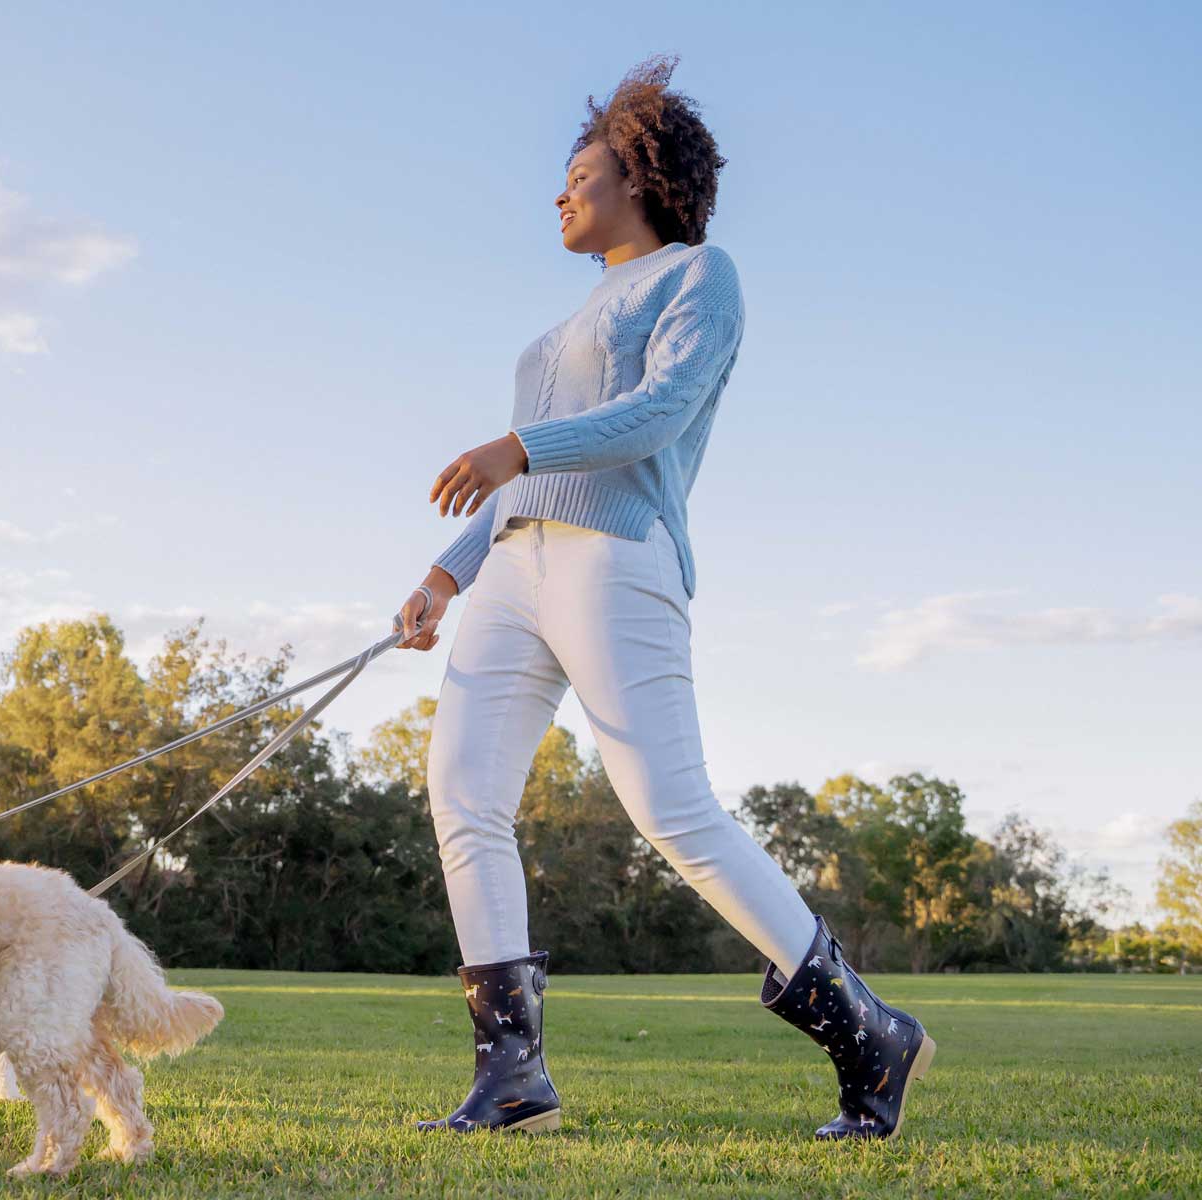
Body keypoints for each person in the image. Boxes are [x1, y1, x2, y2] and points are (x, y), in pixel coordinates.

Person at [397, 56, 935, 1141]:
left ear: (636, 176)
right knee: (462, 797)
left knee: (673, 814)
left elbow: (655, 416)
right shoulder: (561, 329)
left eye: (577, 172)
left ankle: (868, 1031)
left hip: (615, 558)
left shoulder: (702, 276)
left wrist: (517, 446)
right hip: (511, 570)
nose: (558, 193)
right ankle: (512, 1077)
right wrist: (447, 572)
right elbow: (521, 483)